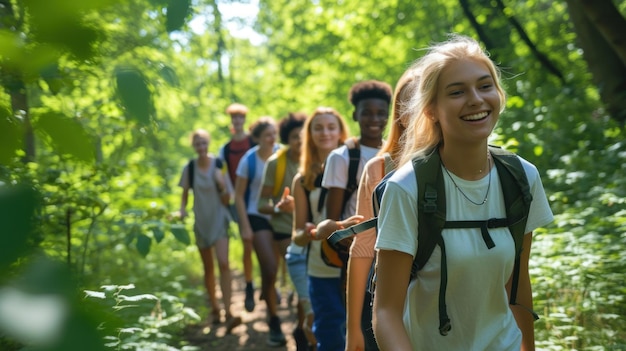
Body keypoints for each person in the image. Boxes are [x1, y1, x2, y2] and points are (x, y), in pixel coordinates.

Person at [373, 35, 554, 351]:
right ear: (431, 110)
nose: (475, 99)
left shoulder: (522, 177)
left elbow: (518, 289)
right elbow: (386, 311)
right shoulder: (407, 189)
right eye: (457, 92)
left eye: (485, 86)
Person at [313, 80, 392, 351]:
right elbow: (333, 219)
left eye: (381, 112)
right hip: (356, 253)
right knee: (361, 325)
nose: (374, 119)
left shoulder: (396, 152)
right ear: (355, 115)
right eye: (367, 112)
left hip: (393, 248)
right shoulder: (342, 157)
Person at [345, 69, 418, 351]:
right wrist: (353, 331)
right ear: (399, 113)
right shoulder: (379, 169)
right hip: (389, 307)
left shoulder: (469, 167)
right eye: (410, 104)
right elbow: (363, 248)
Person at [291, 107, 352, 351]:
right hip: (321, 266)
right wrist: (308, 233)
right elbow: (296, 235)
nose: (325, 132)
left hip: (358, 259)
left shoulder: (357, 166)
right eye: (318, 127)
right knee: (330, 331)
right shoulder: (303, 179)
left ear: (340, 132)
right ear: (310, 134)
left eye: (331, 127)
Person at [178, 129, 242, 333]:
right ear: (194, 146)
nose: (201, 146)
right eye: (197, 143)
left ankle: (229, 311)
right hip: (201, 221)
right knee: (208, 269)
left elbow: (228, 198)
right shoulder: (190, 168)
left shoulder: (219, 165)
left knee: (223, 263)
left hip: (219, 219)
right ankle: (215, 309)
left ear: (208, 143)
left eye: (204, 142)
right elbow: (184, 195)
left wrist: (221, 184)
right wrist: (181, 211)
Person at [257, 112, 307, 350]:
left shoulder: (317, 160)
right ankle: (275, 320)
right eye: (295, 136)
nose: (300, 141)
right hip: (284, 229)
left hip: (309, 229)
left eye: (303, 135)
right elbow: (260, 204)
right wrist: (279, 208)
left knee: (304, 282)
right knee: (294, 278)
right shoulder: (276, 163)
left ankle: (301, 328)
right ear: (287, 138)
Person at [233, 117, 286, 346]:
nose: (272, 138)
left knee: (272, 269)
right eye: (267, 135)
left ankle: (268, 291)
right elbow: (238, 196)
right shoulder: (249, 161)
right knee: (269, 266)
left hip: (280, 215)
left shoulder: (282, 155)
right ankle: (273, 319)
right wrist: (244, 226)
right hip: (257, 216)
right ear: (257, 138)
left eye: (274, 133)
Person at [219, 102, 257, 313]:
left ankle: (273, 284)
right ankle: (250, 284)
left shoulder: (253, 142)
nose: (237, 121)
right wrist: (231, 196)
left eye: (240, 117)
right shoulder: (225, 149)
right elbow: (224, 175)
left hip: (259, 198)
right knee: (247, 242)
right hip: (240, 201)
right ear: (231, 121)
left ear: (244, 120)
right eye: (234, 118)